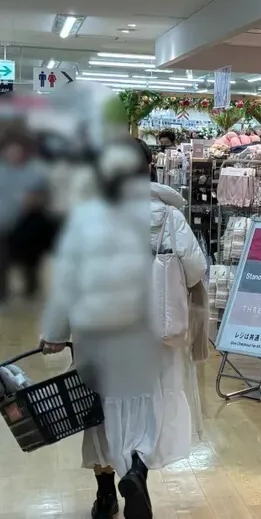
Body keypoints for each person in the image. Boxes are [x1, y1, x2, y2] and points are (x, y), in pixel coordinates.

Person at [40, 138, 207, 519]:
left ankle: (105, 497)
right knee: (154, 405)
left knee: (100, 411)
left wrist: (55, 331)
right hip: (155, 332)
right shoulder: (169, 217)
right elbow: (196, 269)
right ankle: (137, 470)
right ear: (149, 168)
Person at [0, 132, 53, 302]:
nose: (13, 155)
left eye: (17, 151)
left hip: (25, 225)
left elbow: (43, 198)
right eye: (9, 151)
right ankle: (3, 293)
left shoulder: (35, 174)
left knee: (29, 262)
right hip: (2, 223)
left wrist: (33, 200)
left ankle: (31, 291)